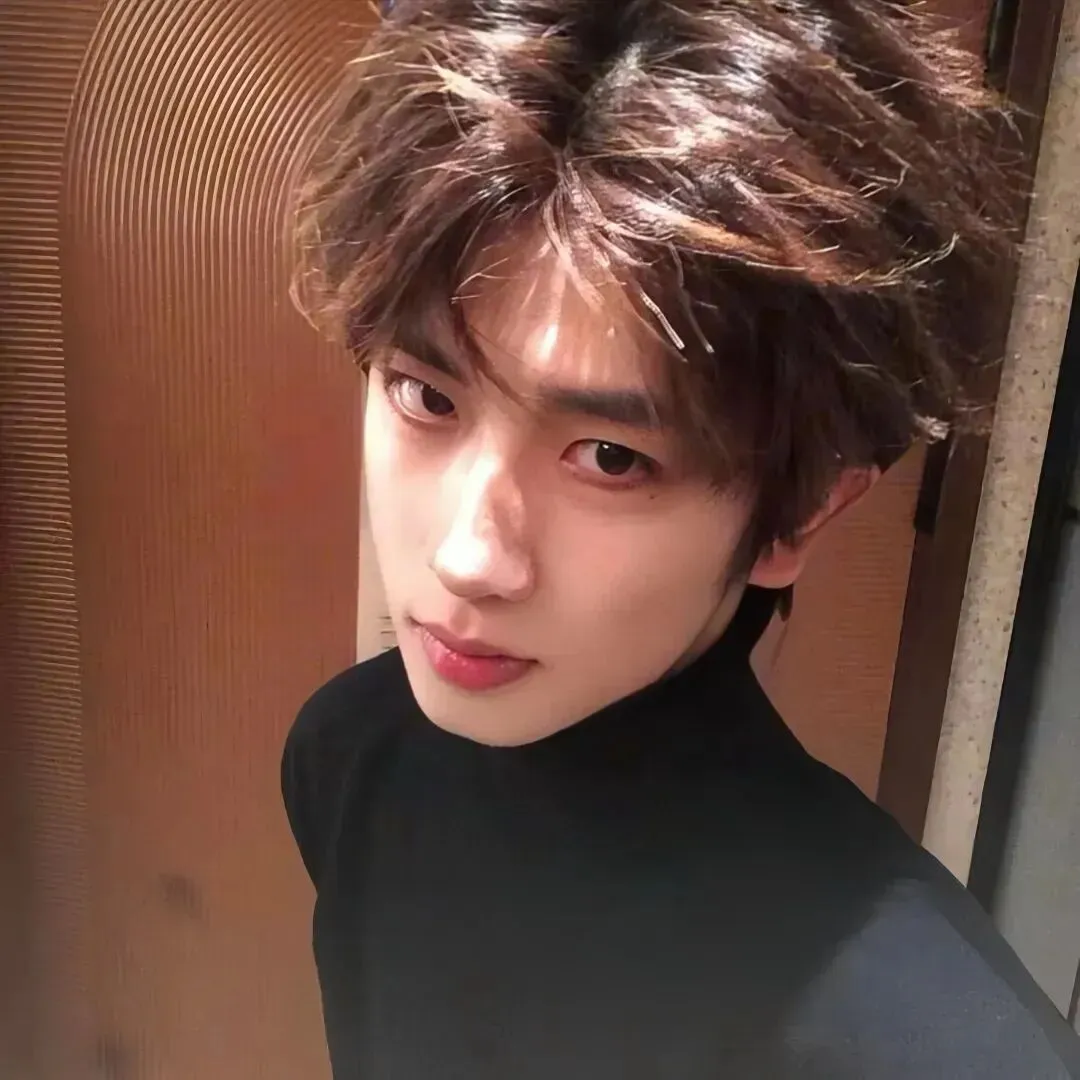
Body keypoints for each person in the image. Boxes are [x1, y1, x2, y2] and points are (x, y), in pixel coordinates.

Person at [281, 1, 1080, 1076]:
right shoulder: (348, 760)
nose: (468, 556)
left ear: (798, 512)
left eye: (612, 458)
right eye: (426, 395)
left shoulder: (935, 1046)